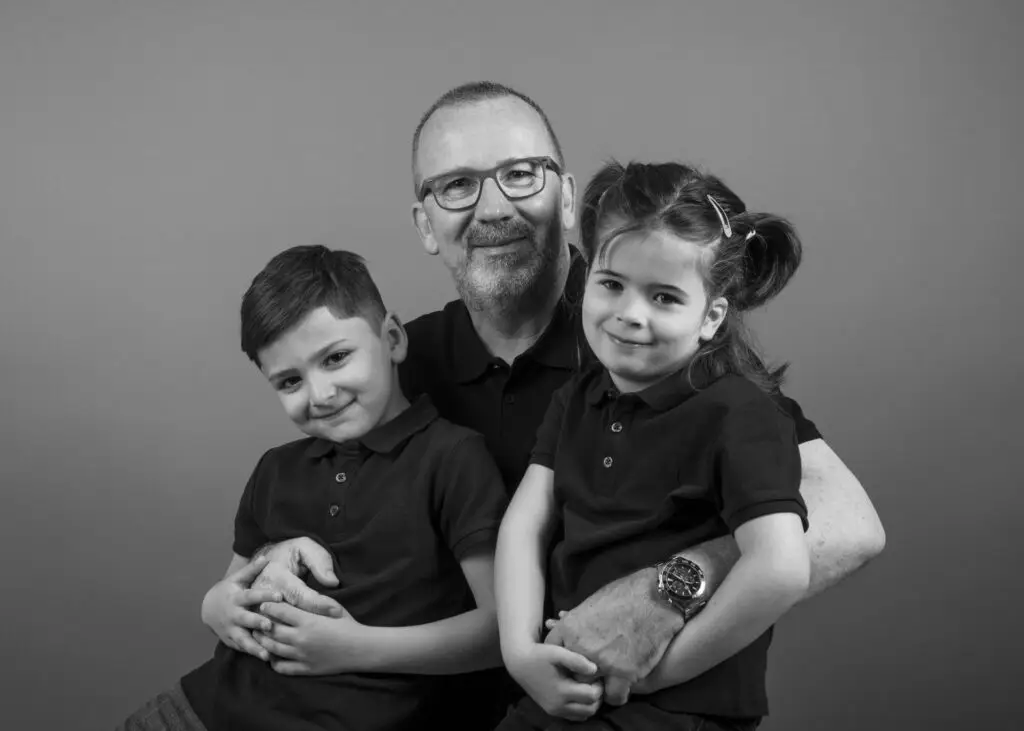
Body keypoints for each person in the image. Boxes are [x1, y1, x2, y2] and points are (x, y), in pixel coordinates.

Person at [250, 80, 886, 722]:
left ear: (569, 197)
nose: (492, 208)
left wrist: (673, 585)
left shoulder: (645, 347)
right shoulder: (394, 363)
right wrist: (270, 561)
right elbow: (316, 493)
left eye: (521, 175)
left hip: (626, 704)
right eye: (456, 185)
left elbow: (850, 523)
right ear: (426, 224)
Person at [116, 245, 508, 730]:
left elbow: (499, 630)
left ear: (392, 338)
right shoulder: (275, 470)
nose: (320, 395)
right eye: (288, 382)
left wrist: (352, 647)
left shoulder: (452, 458)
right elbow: (231, 588)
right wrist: (214, 605)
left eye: (337, 358)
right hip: (202, 708)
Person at [496, 160, 811, 730]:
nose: (629, 315)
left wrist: (656, 672)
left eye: (664, 297)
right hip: (565, 689)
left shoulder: (740, 414)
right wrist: (520, 656)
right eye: (611, 284)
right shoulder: (578, 397)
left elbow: (782, 566)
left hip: (677, 710)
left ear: (712, 316)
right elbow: (525, 525)